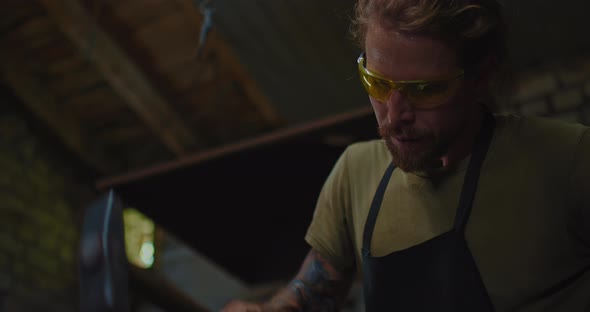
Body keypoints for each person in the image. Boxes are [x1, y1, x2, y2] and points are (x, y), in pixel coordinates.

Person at [222, 0, 590, 311]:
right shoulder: (355, 172)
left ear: (481, 77)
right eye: (377, 84)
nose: (394, 116)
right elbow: (314, 290)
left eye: (426, 90)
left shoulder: (569, 162)